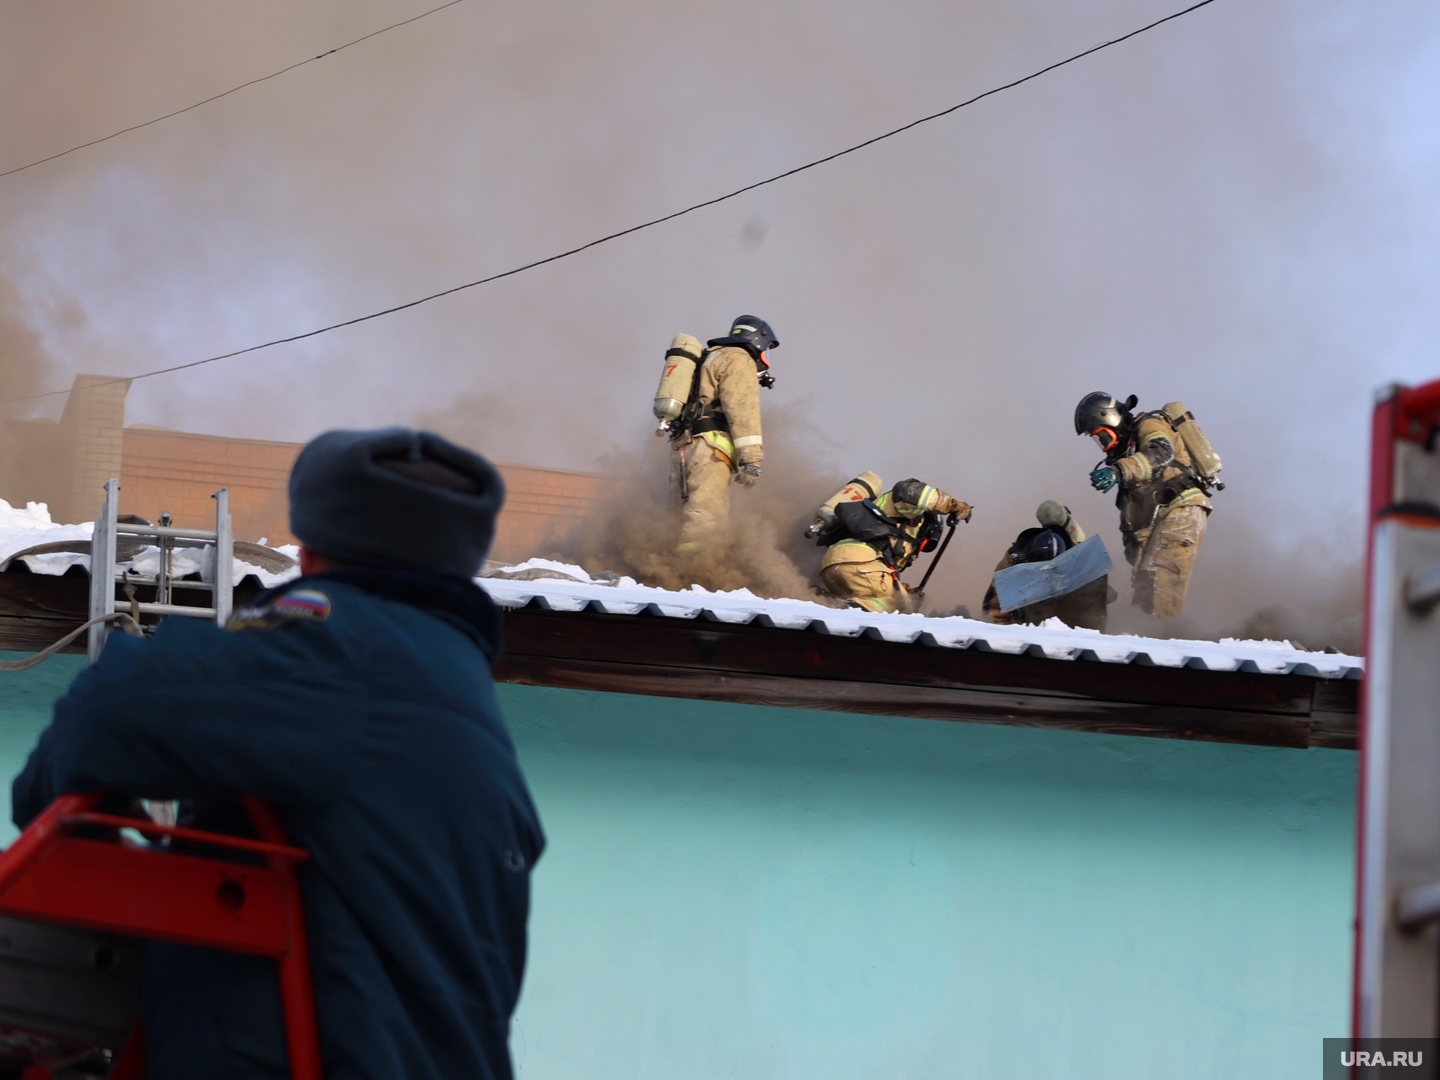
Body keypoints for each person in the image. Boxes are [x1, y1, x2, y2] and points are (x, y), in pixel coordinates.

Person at [12, 428, 544, 1080]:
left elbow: (113, 709)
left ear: (314, 549)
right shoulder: (461, 698)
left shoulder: (340, 650)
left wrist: (86, 832)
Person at [1074, 391, 1212, 617]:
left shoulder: (1148, 424)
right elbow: (1135, 523)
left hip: (1181, 510)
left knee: (1159, 585)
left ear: (1111, 419)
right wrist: (1138, 568)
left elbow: (1161, 452)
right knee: (1146, 589)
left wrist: (1119, 470)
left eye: (1102, 436)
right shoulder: (1128, 457)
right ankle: (1152, 636)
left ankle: (1161, 643)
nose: (1103, 445)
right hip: (1164, 520)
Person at [672, 316, 778, 552]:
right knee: (705, 518)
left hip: (685, 446)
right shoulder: (739, 359)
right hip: (711, 448)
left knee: (683, 516)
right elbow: (742, 409)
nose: (766, 360)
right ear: (758, 341)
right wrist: (751, 459)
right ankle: (696, 571)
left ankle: (670, 572)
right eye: (767, 351)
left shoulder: (710, 357)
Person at [811, 474, 972, 613]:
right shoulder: (913, 514)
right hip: (860, 561)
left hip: (833, 566)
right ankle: (843, 608)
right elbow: (910, 490)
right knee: (901, 607)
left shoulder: (892, 536)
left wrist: (907, 591)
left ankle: (822, 602)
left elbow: (883, 575)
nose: (920, 550)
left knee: (900, 600)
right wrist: (954, 505)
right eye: (927, 543)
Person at [981, 500, 1111, 630]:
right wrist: (1004, 630)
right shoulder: (1014, 562)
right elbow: (996, 601)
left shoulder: (1079, 559)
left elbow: (1101, 597)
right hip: (1028, 621)